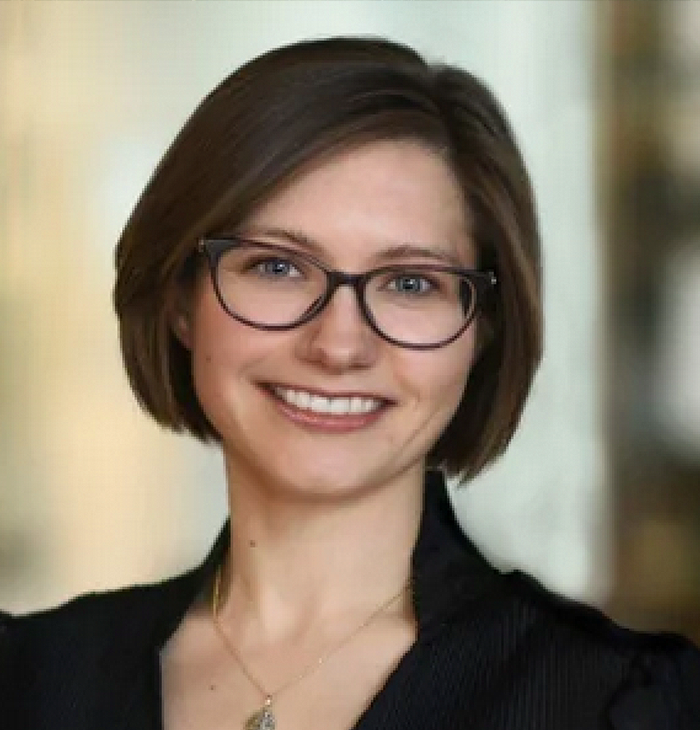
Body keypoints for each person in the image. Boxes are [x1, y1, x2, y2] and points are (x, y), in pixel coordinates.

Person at [1, 36, 699, 730]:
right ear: (182, 299)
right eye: (277, 267)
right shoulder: (26, 681)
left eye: (410, 283)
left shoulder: (623, 704)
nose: (338, 346)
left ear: (482, 329)